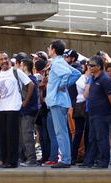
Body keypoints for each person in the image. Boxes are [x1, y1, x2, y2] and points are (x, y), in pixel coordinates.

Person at [0, 51, 34, 168]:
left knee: (12, 135)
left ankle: (12, 161)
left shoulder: (16, 72)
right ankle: (4, 160)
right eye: (1, 59)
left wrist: (25, 101)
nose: (4, 61)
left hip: (13, 107)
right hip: (1, 109)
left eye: (5, 58)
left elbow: (30, 84)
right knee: (3, 136)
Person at [44, 40, 81, 168]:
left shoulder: (57, 63)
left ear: (53, 49)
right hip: (61, 101)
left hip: (57, 101)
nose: (48, 50)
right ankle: (66, 158)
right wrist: (64, 85)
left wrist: (62, 85)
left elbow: (68, 73)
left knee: (61, 132)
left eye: (49, 48)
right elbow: (76, 73)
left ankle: (65, 159)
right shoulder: (61, 61)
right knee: (62, 131)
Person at [79, 55, 111, 169]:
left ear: (99, 67)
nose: (89, 67)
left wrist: (109, 108)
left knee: (102, 138)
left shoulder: (104, 79)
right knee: (92, 138)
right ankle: (89, 161)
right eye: (88, 65)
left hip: (102, 114)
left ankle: (103, 161)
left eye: (92, 65)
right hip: (93, 113)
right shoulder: (94, 78)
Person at [18, 59, 39, 166]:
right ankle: (25, 157)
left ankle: (31, 159)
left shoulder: (29, 80)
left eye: (21, 65)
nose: (19, 67)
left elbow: (26, 97)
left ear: (25, 67)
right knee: (24, 135)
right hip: (27, 111)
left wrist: (24, 102)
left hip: (28, 111)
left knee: (27, 135)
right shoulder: (32, 79)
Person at [71, 61, 90, 165]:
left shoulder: (93, 78)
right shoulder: (81, 78)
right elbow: (84, 90)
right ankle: (73, 156)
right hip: (80, 107)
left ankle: (87, 156)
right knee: (78, 132)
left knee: (88, 132)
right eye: (90, 66)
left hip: (89, 107)